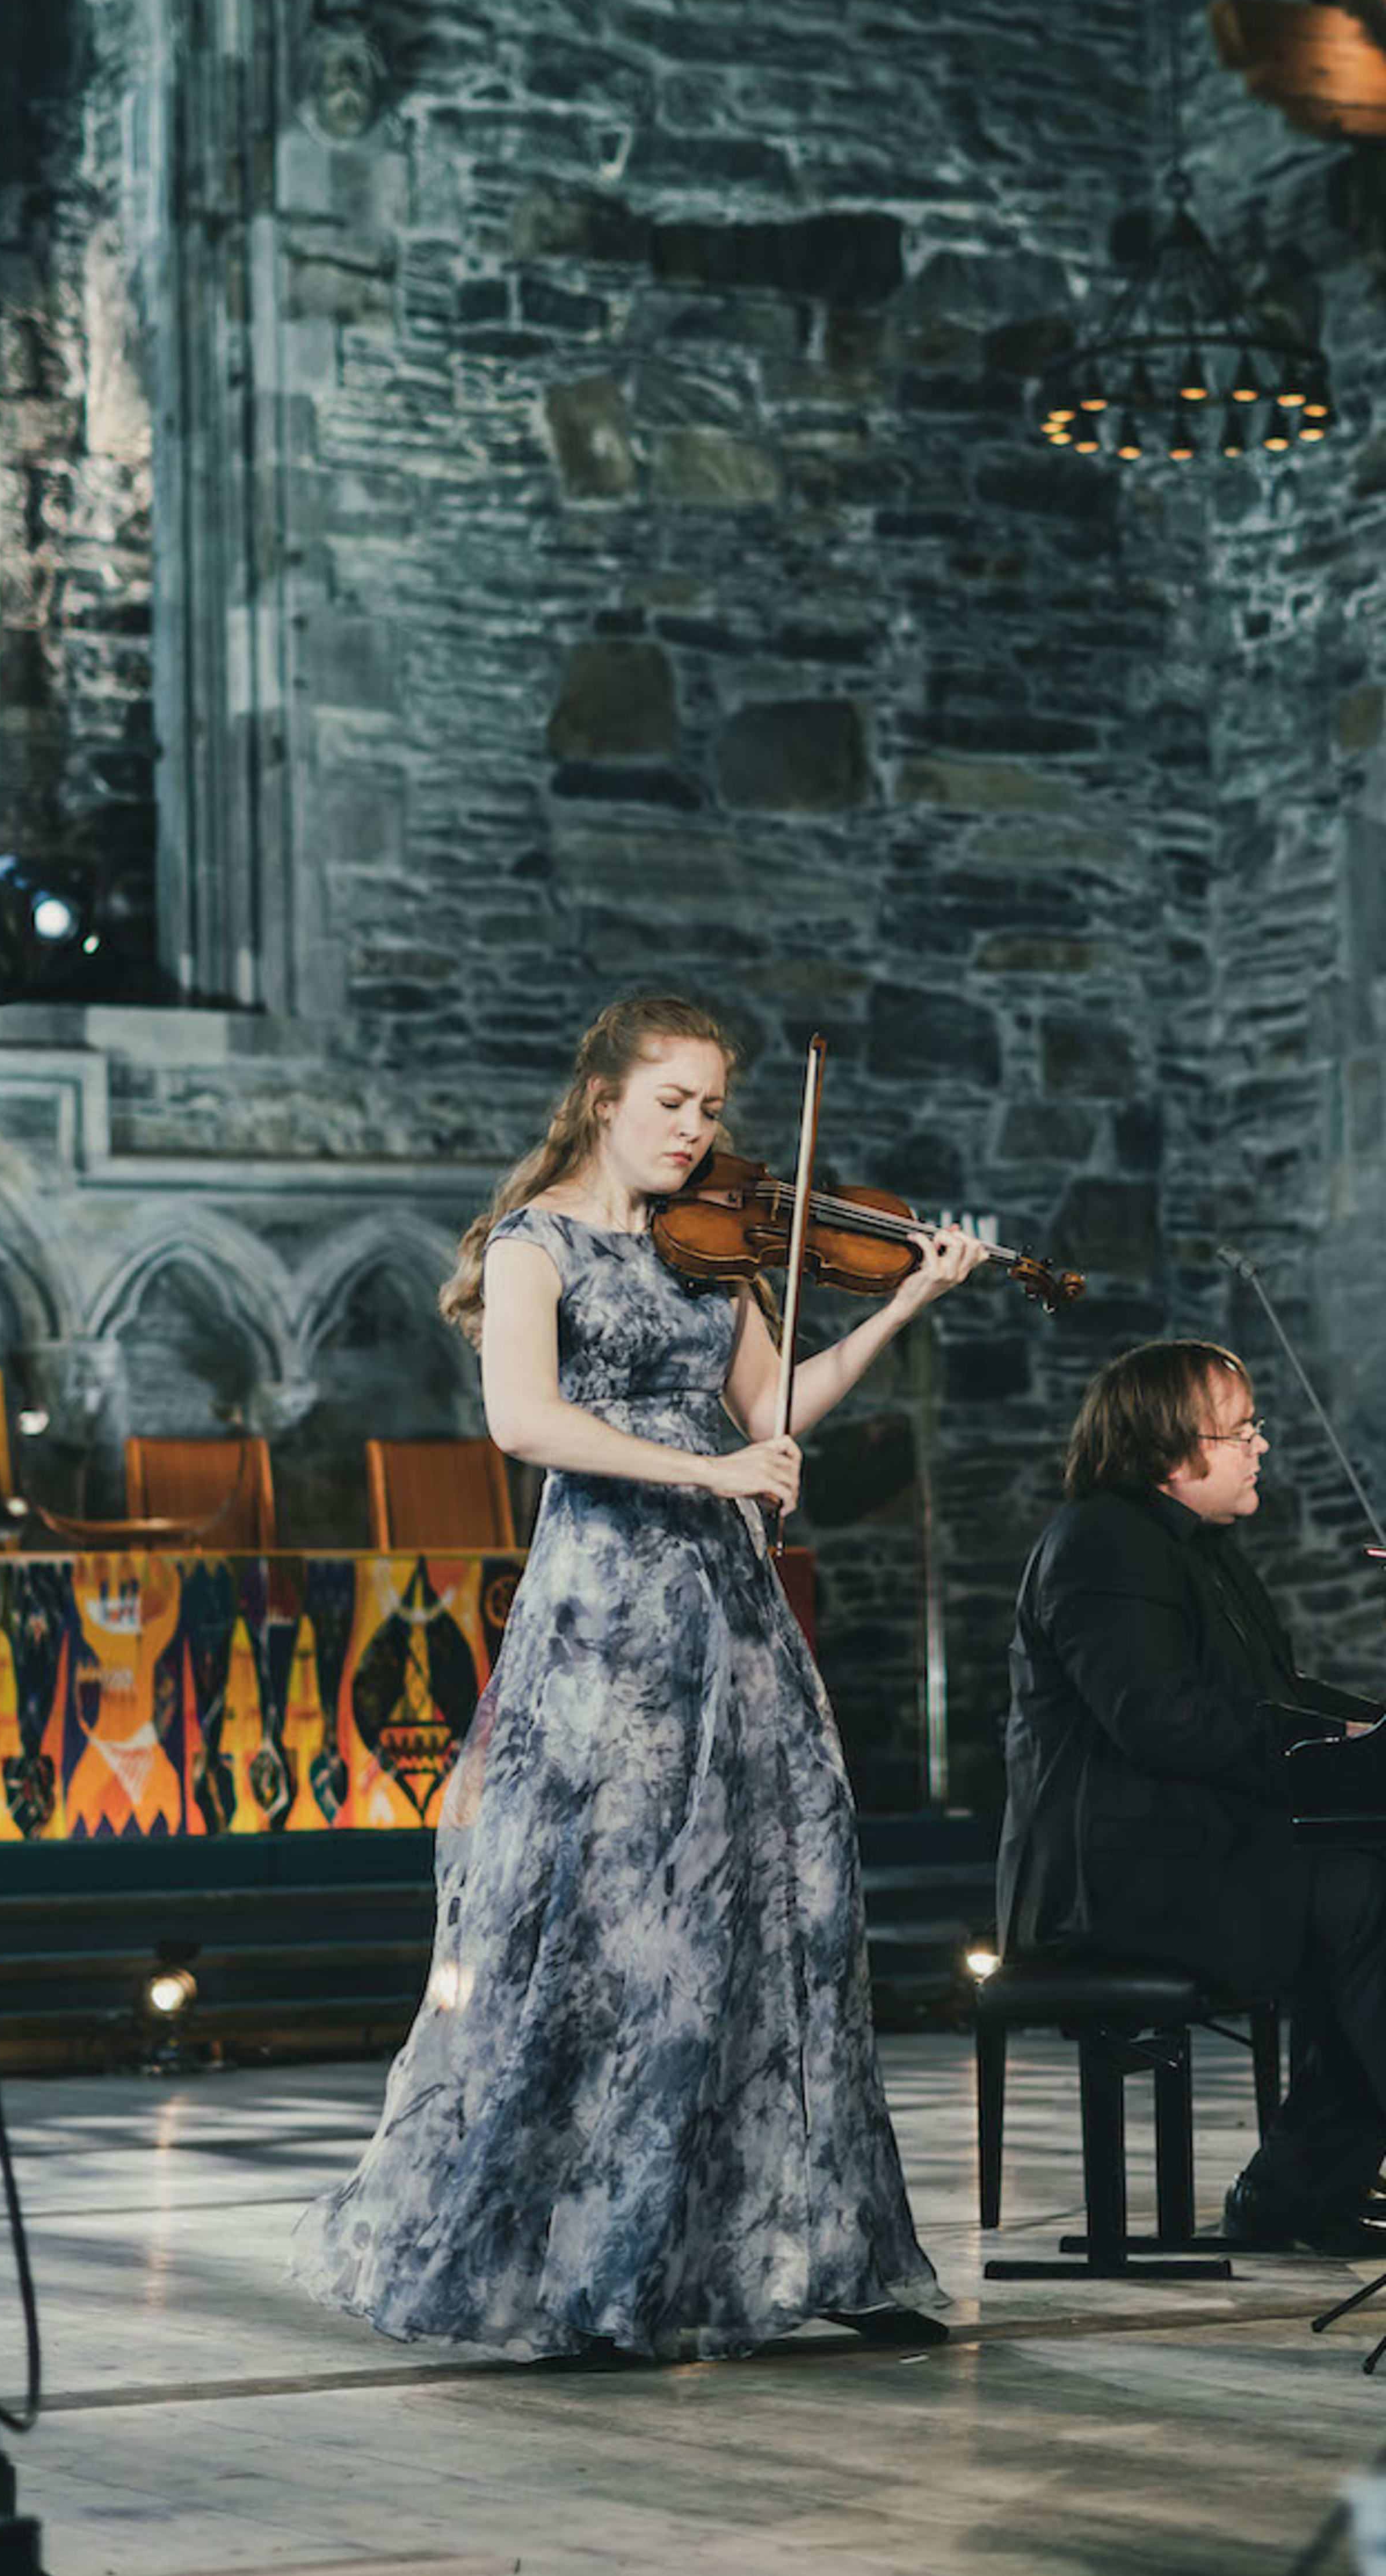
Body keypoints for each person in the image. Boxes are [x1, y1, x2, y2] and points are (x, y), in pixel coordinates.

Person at [293, 992, 986, 2359]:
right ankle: (589, 2271)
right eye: (673, 1102)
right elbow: (525, 1421)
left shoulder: (717, 1252)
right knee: (619, 1928)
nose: (698, 1129)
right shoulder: (531, 1246)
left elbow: (776, 1409)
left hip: (727, 1617)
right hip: (606, 1618)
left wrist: (908, 1295)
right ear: (603, 1096)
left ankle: (821, 2251)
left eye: (715, 1106)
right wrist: (712, 1470)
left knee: (790, 1901)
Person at [997, 1337, 1386, 2254]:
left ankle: (1299, 2189)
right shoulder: (1102, 1541)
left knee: (1369, 1890)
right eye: (1241, 1430)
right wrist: (1338, 1743)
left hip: (1191, 1850)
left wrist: (1367, 1725)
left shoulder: (1197, 1546)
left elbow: (1273, 1690)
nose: (1260, 1447)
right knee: (1365, 1897)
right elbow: (1160, 1719)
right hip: (1119, 1878)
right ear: (1174, 1450)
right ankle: (1297, 2187)